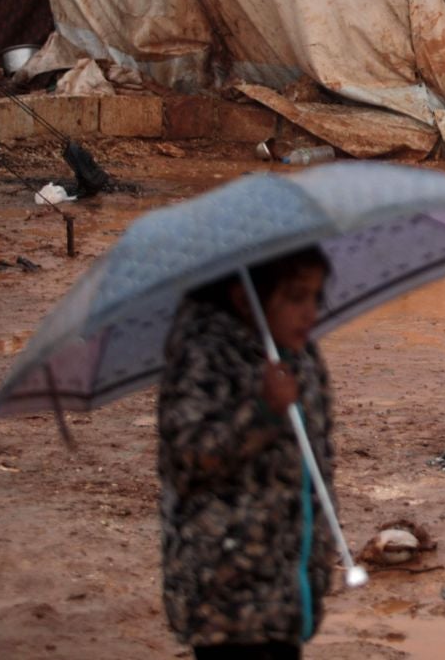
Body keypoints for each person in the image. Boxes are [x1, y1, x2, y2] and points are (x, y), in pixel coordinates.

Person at [158, 246, 336, 660]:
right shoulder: (203, 354)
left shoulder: (300, 356)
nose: (310, 312)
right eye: (295, 297)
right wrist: (262, 413)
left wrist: (322, 550)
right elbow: (187, 459)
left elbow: (318, 460)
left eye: (316, 296)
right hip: (226, 591)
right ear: (244, 297)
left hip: (288, 580)